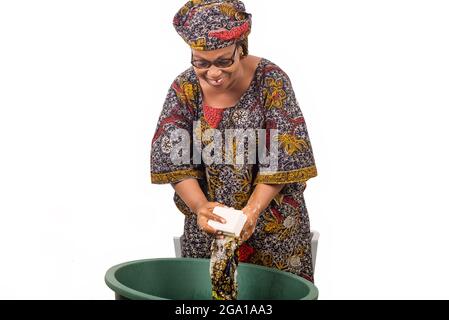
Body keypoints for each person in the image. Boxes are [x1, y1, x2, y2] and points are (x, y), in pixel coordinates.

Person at [150, 0, 318, 285]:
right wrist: (201, 207)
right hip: (208, 230)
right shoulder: (185, 89)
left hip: (273, 230)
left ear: (241, 47)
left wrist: (251, 212)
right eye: (201, 62)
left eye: (224, 61)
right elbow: (174, 160)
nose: (213, 73)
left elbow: (283, 155)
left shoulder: (271, 82)